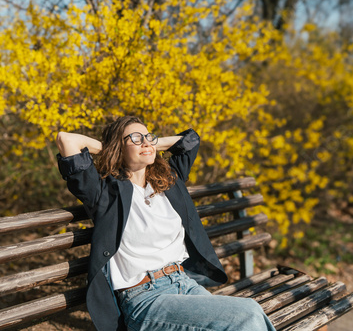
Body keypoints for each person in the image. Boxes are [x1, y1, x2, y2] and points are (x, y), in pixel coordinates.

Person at [55, 116, 276, 331]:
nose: (145, 142)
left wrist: (148, 144)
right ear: (117, 147)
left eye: (148, 136)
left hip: (185, 285)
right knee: (248, 313)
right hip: (146, 300)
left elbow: (191, 140)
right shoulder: (104, 194)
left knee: (245, 319)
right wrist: (113, 148)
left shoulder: (168, 181)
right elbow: (67, 140)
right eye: (134, 138)